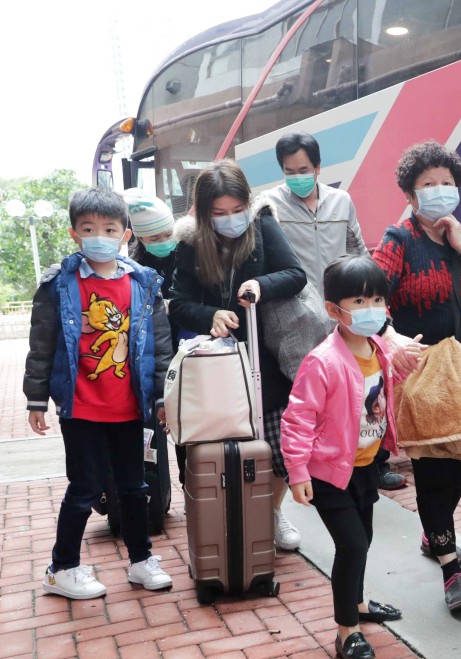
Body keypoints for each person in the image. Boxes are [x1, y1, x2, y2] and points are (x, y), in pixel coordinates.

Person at [373, 141, 461, 611]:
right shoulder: (398, 240)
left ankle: (434, 535)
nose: (439, 192)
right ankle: (452, 566)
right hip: (423, 373)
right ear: (411, 196)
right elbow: (371, 293)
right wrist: (390, 338)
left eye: (446, 183)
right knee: (433, 468)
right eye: (427, 185)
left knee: (456, 465)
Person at [24, 187, 174, 599]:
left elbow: (161, 348)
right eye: (89, 228)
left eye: (109, 228)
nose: (99, 235)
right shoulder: (59, 285)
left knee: (135, 487)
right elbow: (42, 345)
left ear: (126, 233)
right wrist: (36, 399)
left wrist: (162, 397)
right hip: (82, 409)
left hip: (130, 408)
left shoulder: (143, 283)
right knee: (85, 488)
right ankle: (62, 568)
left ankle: (141, 560)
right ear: (74, 233)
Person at [168, 159, 308, 551]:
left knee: (278, 449)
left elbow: (296, 275)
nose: (230, 220)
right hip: (219, 367)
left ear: (248, 203)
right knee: (228, 447)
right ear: (203, 212)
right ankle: (231, 518)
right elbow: (177, 303)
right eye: (219, 214)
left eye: (236, 210)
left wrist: (260, 284)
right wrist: (210, 314)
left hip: (268, 359)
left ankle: (274, 512)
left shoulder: (263, 225)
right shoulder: (190, 242)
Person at [259, 132, 408, 492]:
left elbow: (358, 249)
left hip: (344, 308)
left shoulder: (341, 202)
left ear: (318, 167)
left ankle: (374, 464)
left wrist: (372, 302)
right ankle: (320, 464)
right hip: (300, 312)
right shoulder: (268, 206)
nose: (298, 176)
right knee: (316, 395)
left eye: (305, 169)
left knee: (365, 386)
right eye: (290, 170)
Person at [281, 254, 404, 659]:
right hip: (329, 473)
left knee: (363, 540)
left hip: (365, 467)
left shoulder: (377, 348)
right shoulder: (323, 361)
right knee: (351, 544)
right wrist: (297, 472)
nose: (371, 311)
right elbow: (298, 419)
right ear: (334, 310)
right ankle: (345, 631)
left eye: (377, 301)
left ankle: (359, 604)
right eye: (359, 302)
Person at [123, 188, 189, 486]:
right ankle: (159, 488)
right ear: (139, 240)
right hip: (157, 356)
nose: (163, 243)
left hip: (188, 348)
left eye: (167, 234)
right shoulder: (136, 270)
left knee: (190, 423)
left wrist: (172, 306)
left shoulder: (190, 253)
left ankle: (191, 481)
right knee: (162, 422)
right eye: (153, 239)